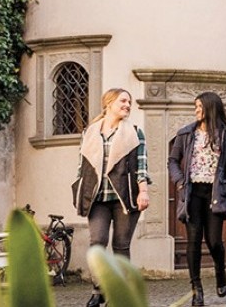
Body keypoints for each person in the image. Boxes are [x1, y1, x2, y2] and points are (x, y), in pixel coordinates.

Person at [71, 88, 150, 307]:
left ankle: (120, 293)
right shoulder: (90, 132)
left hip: (125, 197)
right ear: (109, 102)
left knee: (121, 245)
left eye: (129, 102)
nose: (127, 105)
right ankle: (98, 291)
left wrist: (143, 191)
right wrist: (79, 190)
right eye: (123, 100)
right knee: (97, 243)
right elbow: (82, 166)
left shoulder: (135, 132)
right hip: (97, 199)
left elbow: (142, 166)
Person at [167, 92, 226, 305]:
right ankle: (196, 289)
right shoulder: (185, 134)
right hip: (192, 194)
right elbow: (172, 160)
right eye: (195, 107)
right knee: (193, 241)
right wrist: (180, 181)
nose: (196, 110)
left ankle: (220, 270)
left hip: (215, 194)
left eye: (199, 107)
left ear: (210, 108)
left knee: (214, 241)